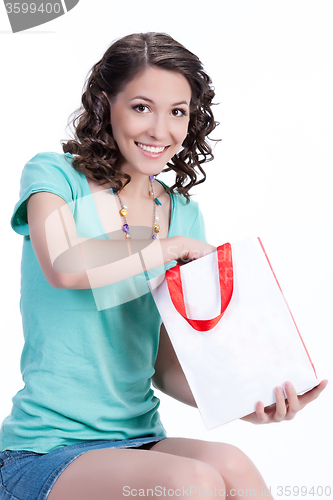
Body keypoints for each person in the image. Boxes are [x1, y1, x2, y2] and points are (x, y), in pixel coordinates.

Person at [0, 32, 327, 500]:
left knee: (233, 466)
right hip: (46, 450)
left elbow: (165, 363)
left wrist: (248, 402)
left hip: (140, 439)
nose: (160, 130)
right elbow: (63, 265)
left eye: (177, 111)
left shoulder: (182, 214)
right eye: (141, 107)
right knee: (188, 483)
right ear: (105, 104)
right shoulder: (54, 175)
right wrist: (161, 249)